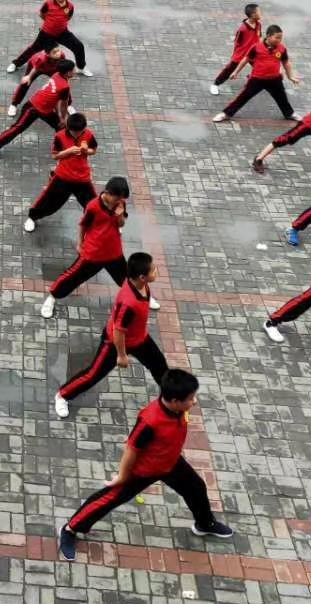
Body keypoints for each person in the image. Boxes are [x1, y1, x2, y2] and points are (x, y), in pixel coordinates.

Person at [58, 369, 232, 561]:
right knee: (106, 500)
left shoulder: (180, 409)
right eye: (191, 398)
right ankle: (70, 529)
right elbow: (131, 450)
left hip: (171, 462)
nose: (195, 402)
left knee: (197, 488)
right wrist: (123, 476)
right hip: (142, 471)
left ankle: (205, 524)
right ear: (175, 401)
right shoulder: (149, 421)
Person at [54, 251, 167, 418]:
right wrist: (121, 355)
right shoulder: (129, 303)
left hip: (140, 339)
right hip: (114, 343)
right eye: (153, 270)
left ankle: (170, 398)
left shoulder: (141, 285)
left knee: (160, 366)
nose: (156, 271)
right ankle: (62, 395)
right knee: (93, 374)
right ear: (142, 277)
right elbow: (118, 331)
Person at [40, 176, 142, 319]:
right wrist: (80, 244)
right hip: (93, 252)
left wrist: (119, 216)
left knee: (126, 278)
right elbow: (83, 225)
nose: (120, 201)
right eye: (117, 198)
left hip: (113, 251)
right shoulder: (93, 206)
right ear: (108, 193)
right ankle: (52, 297)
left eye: (122, 199)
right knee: (72, 277)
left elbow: (121, 224)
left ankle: (142, 296)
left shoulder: (120, 203)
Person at [23, 111, 99, 233]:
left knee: (92, 203)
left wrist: (86, 151)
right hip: (63, 175)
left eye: (79, 132)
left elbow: (93, 150)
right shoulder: (60, 136)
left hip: (82, 177)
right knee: (49, 199)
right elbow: (55, 156)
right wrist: (69, 151)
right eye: (74, 132)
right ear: (68, 128)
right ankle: (32, 217)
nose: (76, 135)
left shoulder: (89, 135)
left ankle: (100, 223)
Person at [212, 24, 298, 122]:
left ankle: (289, 114)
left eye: (281, 38)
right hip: (257, 79)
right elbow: (245, 59)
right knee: (243, 97)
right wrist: (236, 72)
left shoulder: (282, 49)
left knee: (282, 98)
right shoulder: (256, 47)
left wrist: (290, 76)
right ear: (268, 36)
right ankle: (226, 114)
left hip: (274, 79)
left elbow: (286, 63)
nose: (279, 40)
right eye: (277, 38)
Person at [0, 60, 75, 159]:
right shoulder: (64, 86)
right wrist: (62, 118)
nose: (75, 71)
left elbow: (55, 98)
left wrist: (60, 118)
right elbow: (63, 105)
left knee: (61, 128)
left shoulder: (57, 74)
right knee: (17, 128)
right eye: (73, 70)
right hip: (32, 108)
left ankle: (60, 148)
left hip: (46, 109)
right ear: (68, 72)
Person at [9, 0, 91, 75]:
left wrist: (59, 24)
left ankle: (81, 67)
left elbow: (68, 17)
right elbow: (41, 14)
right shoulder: (48, 4)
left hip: (62, 33)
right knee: (33, 49)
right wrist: (49, 23)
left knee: (78, 46)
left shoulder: (70, 6)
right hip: (46, 33)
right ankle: (15, 64)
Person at [210, 4, 262, 96]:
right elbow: (237, 42)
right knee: (230, 69)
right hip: (241, 54)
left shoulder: (258, 24)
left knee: (261, 66)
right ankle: (215, 84)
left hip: (254, 53)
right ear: (253, 15)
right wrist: (236, 55)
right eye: (259, 12)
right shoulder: (243, 29)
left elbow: (259, 36)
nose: (261, 13)